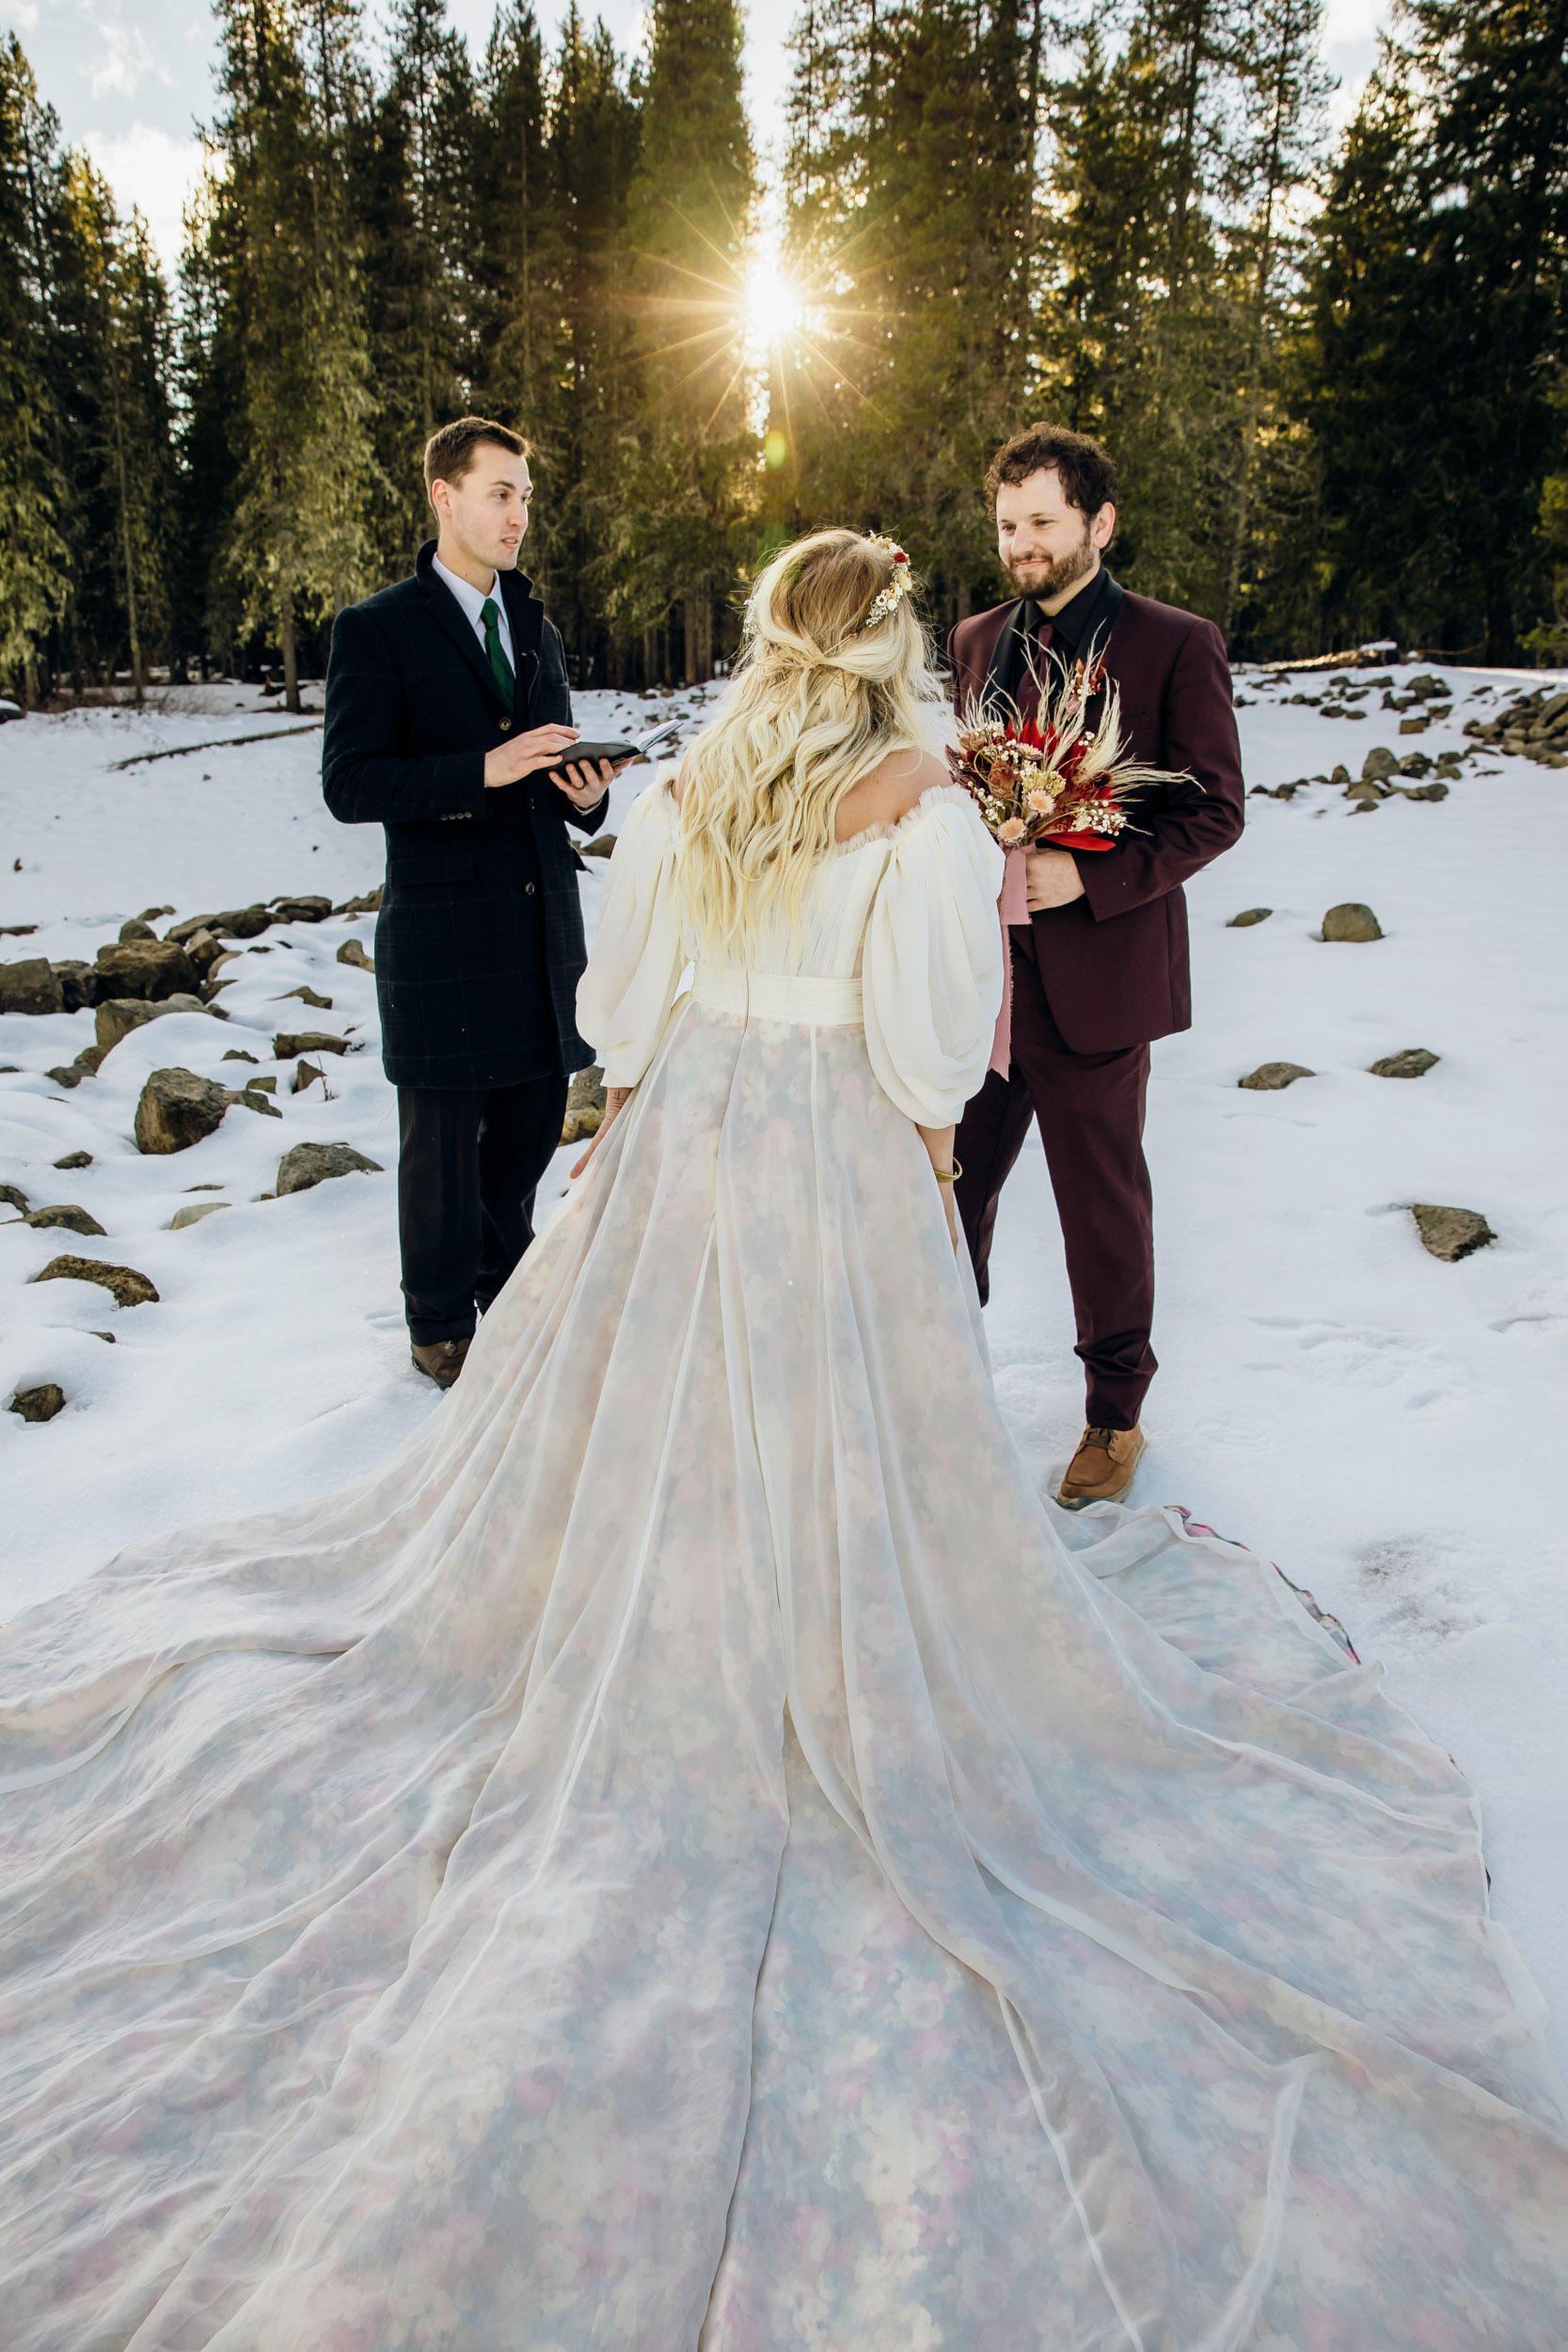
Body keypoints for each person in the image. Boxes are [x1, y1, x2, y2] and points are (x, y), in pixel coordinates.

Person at [2, 531, 1566, 2350]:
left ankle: (672, 1631)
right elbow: (931, 1044)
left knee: (653, 1417)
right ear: (890, 644)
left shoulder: (686, 785)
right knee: (850, 1416)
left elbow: (620, 1007)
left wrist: (653, 1084)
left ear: (762, 642)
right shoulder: (921, 806)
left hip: (686, 1144)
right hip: (827, 1135)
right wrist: (913, 1131)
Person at [949, 422, 1244, 1510]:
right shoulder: (975, 638)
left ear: (1097, 523)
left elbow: (1215, 808)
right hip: (978, 981)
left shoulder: (1174, 642)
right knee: (944, 1190)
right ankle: (937, 1378)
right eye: (1006, 524)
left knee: (1100, 1206)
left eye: (1040, 522)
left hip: (1097, 981)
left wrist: (1093, 877)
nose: (1019, 543)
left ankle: (1113, 1415)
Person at [323, 416, 620, 1389]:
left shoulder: (534, 625)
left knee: (530, 1124)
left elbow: (551, 763)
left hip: (538, 927)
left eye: (526, 496)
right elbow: (352, 784)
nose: (518, 514)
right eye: (500, 493)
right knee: (444, 1142)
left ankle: (509, 1297)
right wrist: (479, 770)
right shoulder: (376, 630)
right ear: (442, 497)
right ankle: (439, 1324)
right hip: (443, 931)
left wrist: (586, 795)